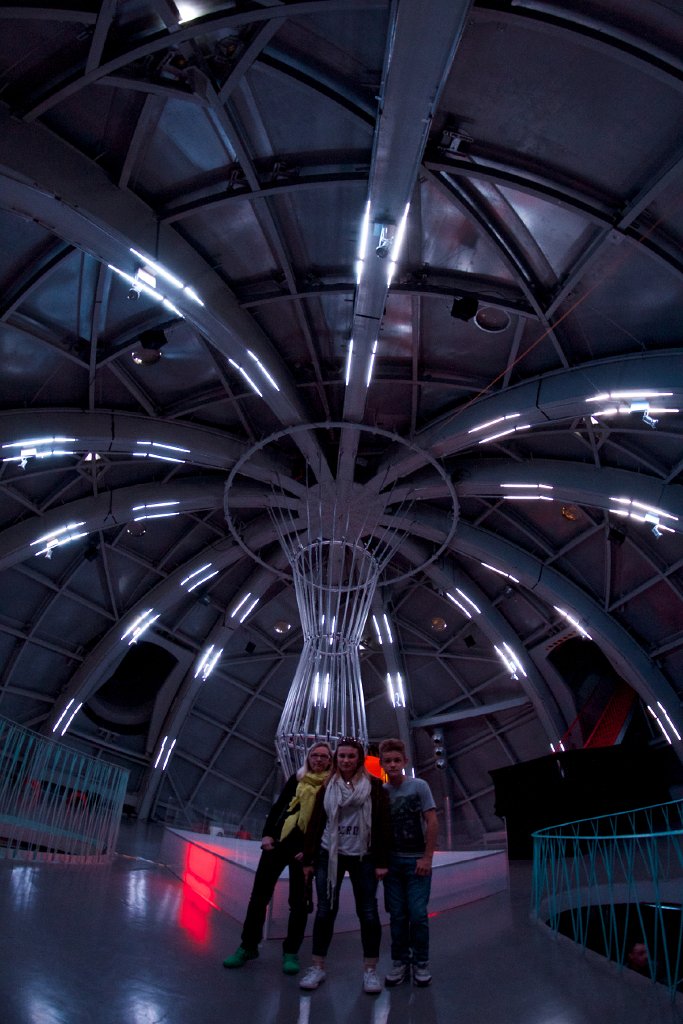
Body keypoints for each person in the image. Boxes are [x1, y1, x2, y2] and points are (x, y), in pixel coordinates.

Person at [223, 741, 333, 975]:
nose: (319, 759)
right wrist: (267, 835)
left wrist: (312, 851)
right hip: (279, 842)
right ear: (309, 758)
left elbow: (329, 821)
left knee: (299, 903)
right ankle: (248, 946)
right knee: (259, 897)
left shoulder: (331, 786)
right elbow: (280, 806)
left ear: (330, 761)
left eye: (324, 756)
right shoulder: (298, 779)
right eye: (315, 755)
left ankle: (291, 952)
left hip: (304, 851)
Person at [299, 737, 392, 994]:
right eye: (342, 756)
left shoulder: (374, 787)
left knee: (368, 912)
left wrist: (382, 861)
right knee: (325, 911)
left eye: (351, 756)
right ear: (336, 759)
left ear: (359, 758)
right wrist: (308, 859)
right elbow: (316, 822)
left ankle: (370, 970)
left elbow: (383, 825)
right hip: (329, 855)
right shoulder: (327, 787)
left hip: (363, 856)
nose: (346, 760)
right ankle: (317, 966)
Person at [379, 737, 437, 987]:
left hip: (416, 862)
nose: (392, 765)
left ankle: (421, 962)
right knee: (397, 916)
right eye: (388, 761)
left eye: (396, 760)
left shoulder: (419, 786)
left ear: (405, 761)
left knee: (418, 914)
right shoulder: (381, 792)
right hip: (392, 863)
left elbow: (431, 821)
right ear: (382, 764)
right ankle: (400, 961)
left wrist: (427, 857)